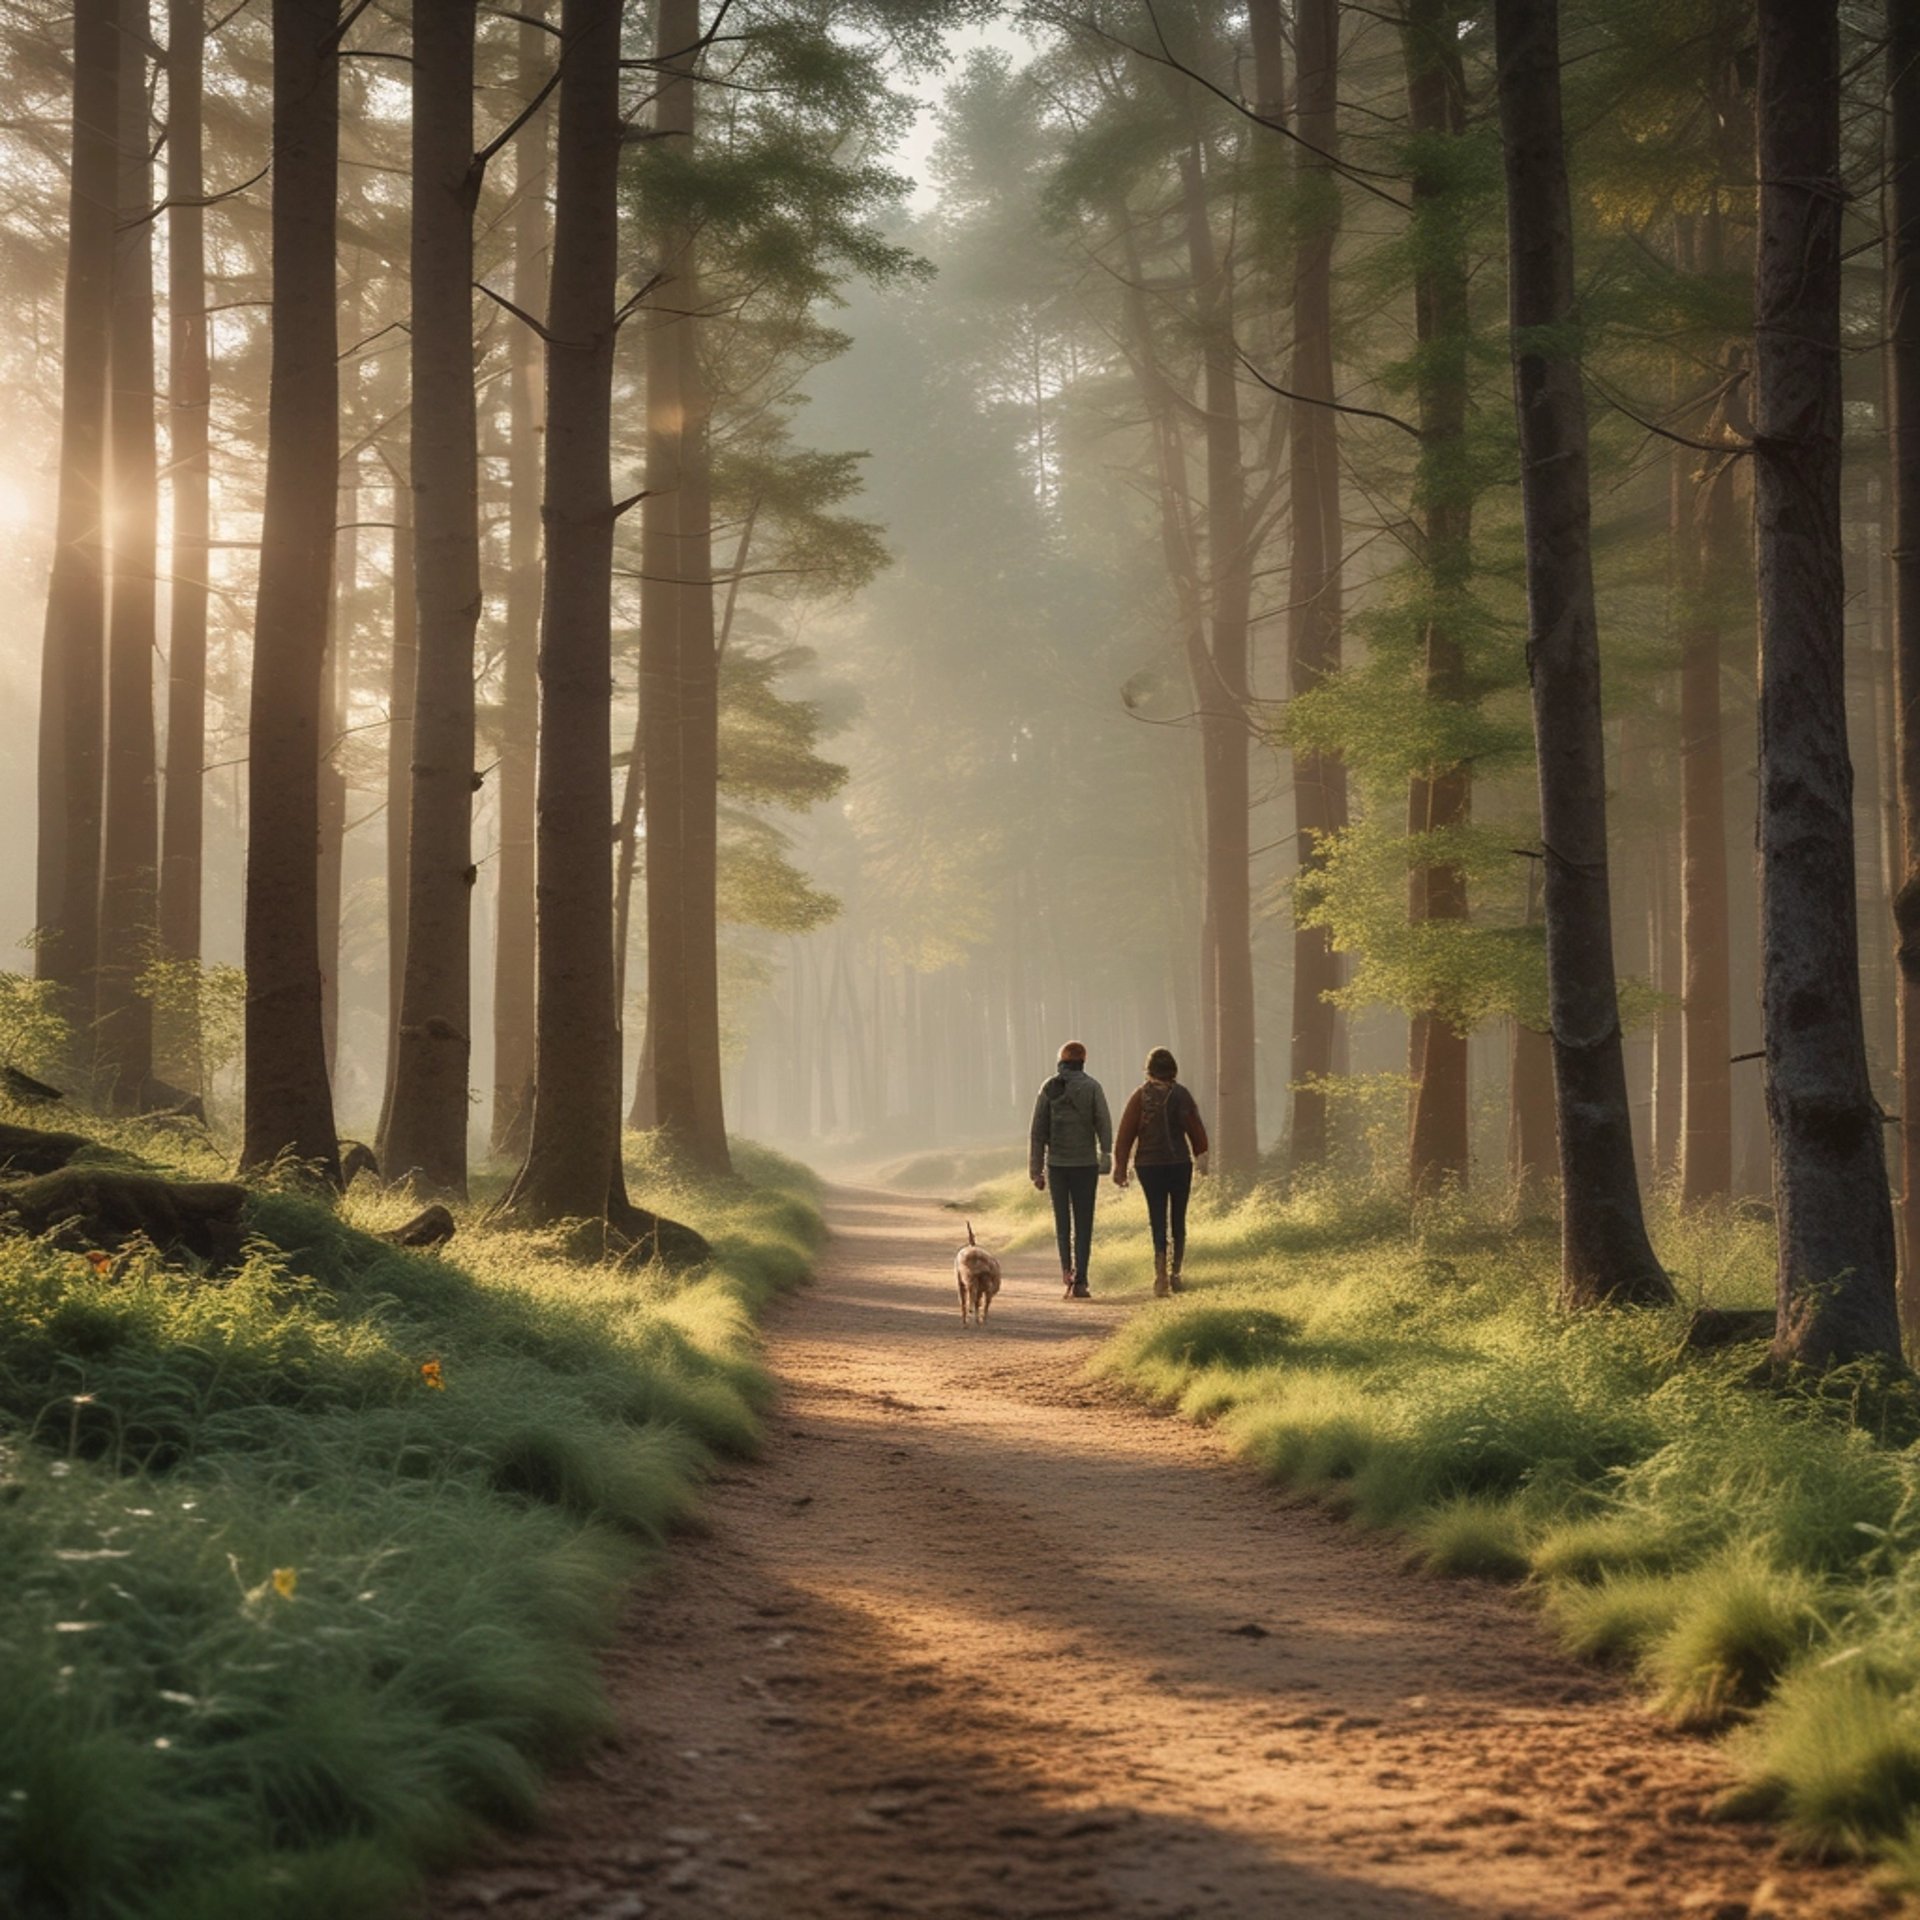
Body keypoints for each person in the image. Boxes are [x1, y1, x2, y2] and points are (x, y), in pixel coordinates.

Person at [1112, 1047, 1210, 1297]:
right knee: (1178, 1219)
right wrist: (1201, 1155)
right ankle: (1176, 1273)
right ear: (1173, 1069)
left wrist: (1120, 1168)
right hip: (1178, 1163)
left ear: (1149, 1070)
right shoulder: (1181, 1094)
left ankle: (1160, 1276)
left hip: (1149, 1165)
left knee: (1157, 1218)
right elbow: (1195, 1126)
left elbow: (1125, 1135)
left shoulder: (1140, 1096)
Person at [1028, 1041, 1113, 1299]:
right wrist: (1106, 1155)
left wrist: (1036, 1170)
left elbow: (1037, 1131)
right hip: (1086, 1165)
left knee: (1062, 1223)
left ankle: (1067, 1272)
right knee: (1084, 1223)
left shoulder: (1048, 1087)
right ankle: (1082, 1281)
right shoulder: (1092, 1087)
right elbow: (1104, 1123)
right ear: (1083, 1061)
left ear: (1061, 1061)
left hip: (1057, 1166)